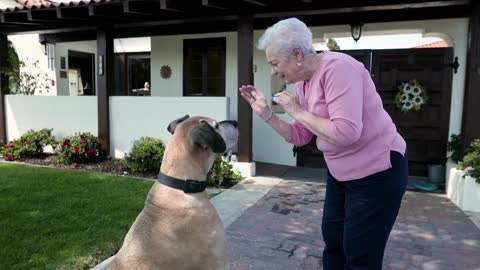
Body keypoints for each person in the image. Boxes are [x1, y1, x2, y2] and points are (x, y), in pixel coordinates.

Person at [239, 18, 408, 270]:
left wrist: (296, 110)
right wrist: (267, 115)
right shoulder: (302, 83)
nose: (273, 71)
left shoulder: (339, 69)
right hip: (341, 173)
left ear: (297, 54)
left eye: (274, 63)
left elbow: (346, 132)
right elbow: (302, 135)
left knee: (360, 255)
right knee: (334, 244)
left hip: (378, 170)